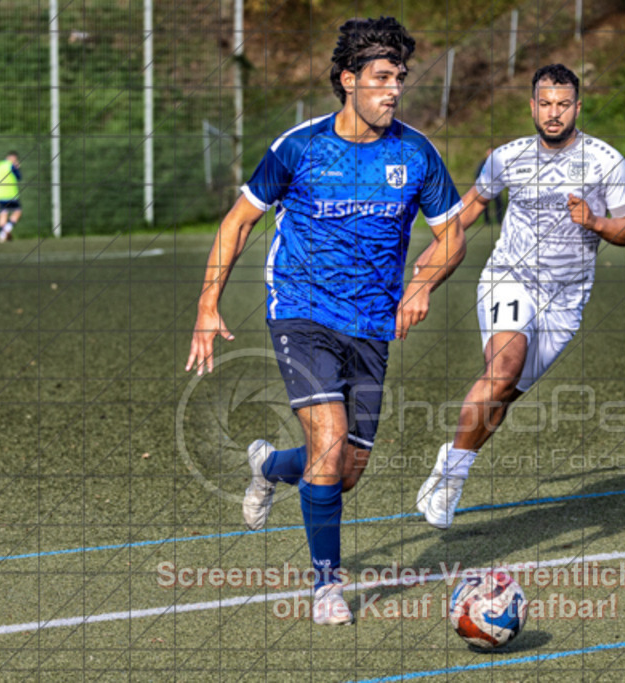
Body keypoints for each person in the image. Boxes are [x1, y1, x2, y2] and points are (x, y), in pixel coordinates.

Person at [185, 16, 464, 626]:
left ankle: (267, 466)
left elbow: (452, 238)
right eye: (382, 78)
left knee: (344, 472)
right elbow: (238, 222)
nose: (394, 90)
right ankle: (327, 587)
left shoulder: (416, 153)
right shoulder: (300, 147)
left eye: (399, 79)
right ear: (348, 81)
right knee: (330, 443)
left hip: (371, 325)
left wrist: (420, 285)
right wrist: (208, 305)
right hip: (302, 311)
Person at [414, 64, 625, 529]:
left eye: (563, 104)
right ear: (532, 107)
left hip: (566, 298)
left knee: (502, 397)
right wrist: (436, 251)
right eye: (545, 103)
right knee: (503, 369)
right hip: (510, 277)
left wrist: (597, 223)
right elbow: (473, 204)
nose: (553, 113)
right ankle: (453, 479)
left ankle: (451, 461)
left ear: (577, 107)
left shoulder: (607, 162)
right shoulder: (507, 157)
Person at [0, 151, 22, 242]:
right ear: (13, 157)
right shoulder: (11, 165)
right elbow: (19, 177)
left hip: (0, 194)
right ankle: (7, 229)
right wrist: (17, 168)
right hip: (11, 194)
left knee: (3, 215)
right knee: (17, 212)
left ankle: (1, 235)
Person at [474, 148, 505, 225]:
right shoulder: (483, 164)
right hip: (486, 187)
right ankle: (487, 221)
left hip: (496, 187)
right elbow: (477, 174)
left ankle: (499, 220)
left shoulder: (497, 164)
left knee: (499, 204)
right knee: (484, 205)